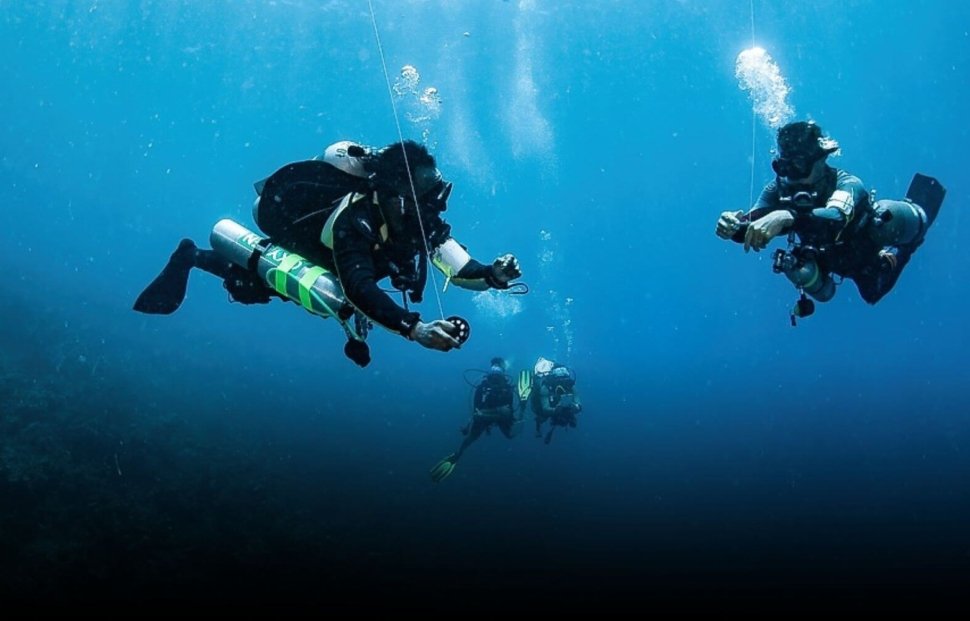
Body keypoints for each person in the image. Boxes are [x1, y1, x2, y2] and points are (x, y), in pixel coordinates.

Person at [133, 140, 523, 366]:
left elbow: (460, 268)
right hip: (309, 253)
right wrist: (414, 328)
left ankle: (199, 258)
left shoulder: (421, 221)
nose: (433, 208)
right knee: (251, 286)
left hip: (341, 271)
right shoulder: (355, 220)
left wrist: (493, 275)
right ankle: (190, 256)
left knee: (297, 293)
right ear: (396, 194)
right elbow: (357, 285)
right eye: (424, 195)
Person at [715, 121, 944, 318]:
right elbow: (753, 224)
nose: (791, 176)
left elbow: (836, 217)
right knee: (863, 291)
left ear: (821, 159)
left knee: (884, 224)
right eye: (783, 166)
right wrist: (734, 227)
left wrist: (787, 216)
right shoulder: (777, 189)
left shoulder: (847, 183)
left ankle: (908, 241)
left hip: (865, 245)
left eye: (799, 166)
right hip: (830, 259)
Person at [430, 357, 520, 483]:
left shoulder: (507, 389)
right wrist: (468, 425)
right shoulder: (482, 387)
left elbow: (510, 411)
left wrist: (504, 415)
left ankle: (457, 454)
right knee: (471, 437)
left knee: (509, 434)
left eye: (498, 368)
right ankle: (457, 455)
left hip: (493, 417)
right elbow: (476, 410)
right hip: (485, 417)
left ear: (503, 371)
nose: (496, 372)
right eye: (494, 368)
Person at [519, 357, 582, 445]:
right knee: (542, 417)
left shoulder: (570, 385)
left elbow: (578, 402)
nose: (562, 381)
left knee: (567, 417)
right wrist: (557, 410)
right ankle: (538, 426)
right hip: (544, 407)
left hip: (556, 405)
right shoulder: (545, 387)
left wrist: (575, 407)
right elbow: (545, 408)